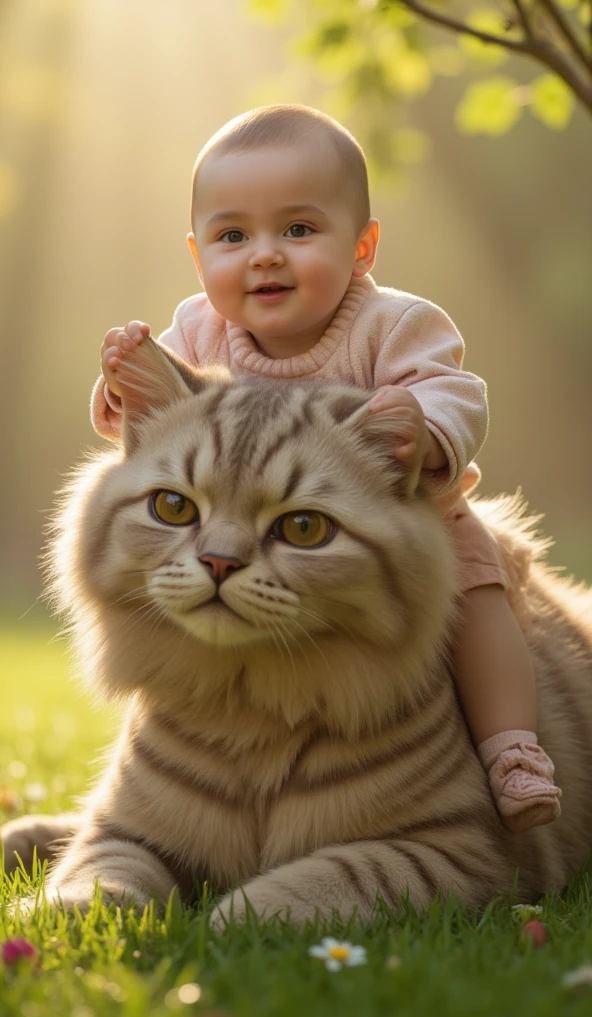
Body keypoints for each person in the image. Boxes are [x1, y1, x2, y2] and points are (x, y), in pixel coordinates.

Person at [92, 104, 561, 832]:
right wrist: (122, 376)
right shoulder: (197, 325)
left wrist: (424, 429)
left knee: (478, 594)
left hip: (416, 516)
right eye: (233, 235)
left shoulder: (395, 323)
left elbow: (458, 395)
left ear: (364, 246)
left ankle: (511, 746)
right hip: (257, 519)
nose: (265, 254)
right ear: (198, 255)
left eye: (299, 230)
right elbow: (145, 420)